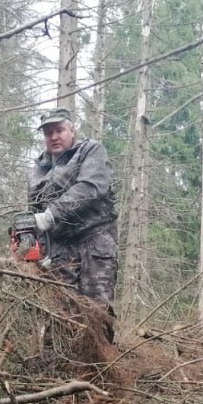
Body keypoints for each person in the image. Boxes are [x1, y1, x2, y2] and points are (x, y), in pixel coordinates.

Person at [26, 108, 119, 323]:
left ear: (72, 130)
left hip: (92, 246)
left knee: (96, 315)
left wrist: (50, 216)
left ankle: (101, 356)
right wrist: (30, 244)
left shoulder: (90, 150)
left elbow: (90, 188)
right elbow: (34, 212)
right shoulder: (39, 168)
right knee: (60, 317)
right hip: (58, 253)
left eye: (59, 130)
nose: (54, 137)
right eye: (48, 133)